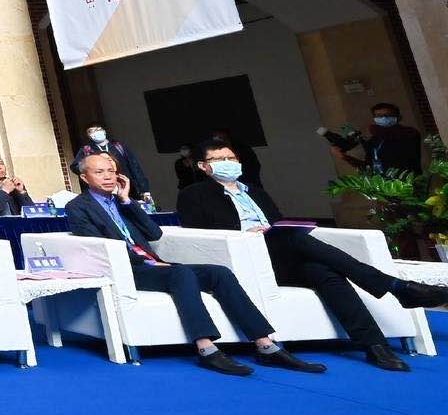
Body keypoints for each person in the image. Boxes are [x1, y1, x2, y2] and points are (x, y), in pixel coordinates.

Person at [177, 141, 446, 370]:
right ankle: (395, 286)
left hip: (280, 255)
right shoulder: (194, 194)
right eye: (219, 159)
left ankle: (375, 346)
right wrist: (246, 233)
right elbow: (200, 234)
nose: (228, 163)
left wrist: (275, 230)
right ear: (203, 166)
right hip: (244, 255)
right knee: (294, 239)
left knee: (324, 271)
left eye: (231, 158)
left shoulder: (255, 192)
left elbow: (278, 222)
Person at [64, 152, 318, 375]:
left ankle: (265, 344)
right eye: (100, 172)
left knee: (219, 273)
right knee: (181, 274)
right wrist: (147, 262)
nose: (108, 177)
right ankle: (206, 348)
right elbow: (98, 247)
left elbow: (154, 234)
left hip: (153, 264)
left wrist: (128, 201)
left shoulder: (123, 203)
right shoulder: (78, 207)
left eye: (111, 171)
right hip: (128, 269)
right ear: (85, 177)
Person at [327, 102, 424, 177]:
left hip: (408, 184)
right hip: (384, 187)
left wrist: (368, 132)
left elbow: (390, 134)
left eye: (388, 115)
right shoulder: (375, 140)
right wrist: (345, 157)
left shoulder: (409, 133)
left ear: (398, 117)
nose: (383, 118)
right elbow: (369, 167)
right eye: (379, 116)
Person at [70, 123, 152, 201]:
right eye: (91, 131)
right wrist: (91, 169)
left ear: (104, 131)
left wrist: (144, 189)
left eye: (98, 130)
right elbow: (75, 166)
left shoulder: (119, 147)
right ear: (89, 136)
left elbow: (134, 167)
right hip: (102, 188)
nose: (95, 133)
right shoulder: (87, 150)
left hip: (125, 187)